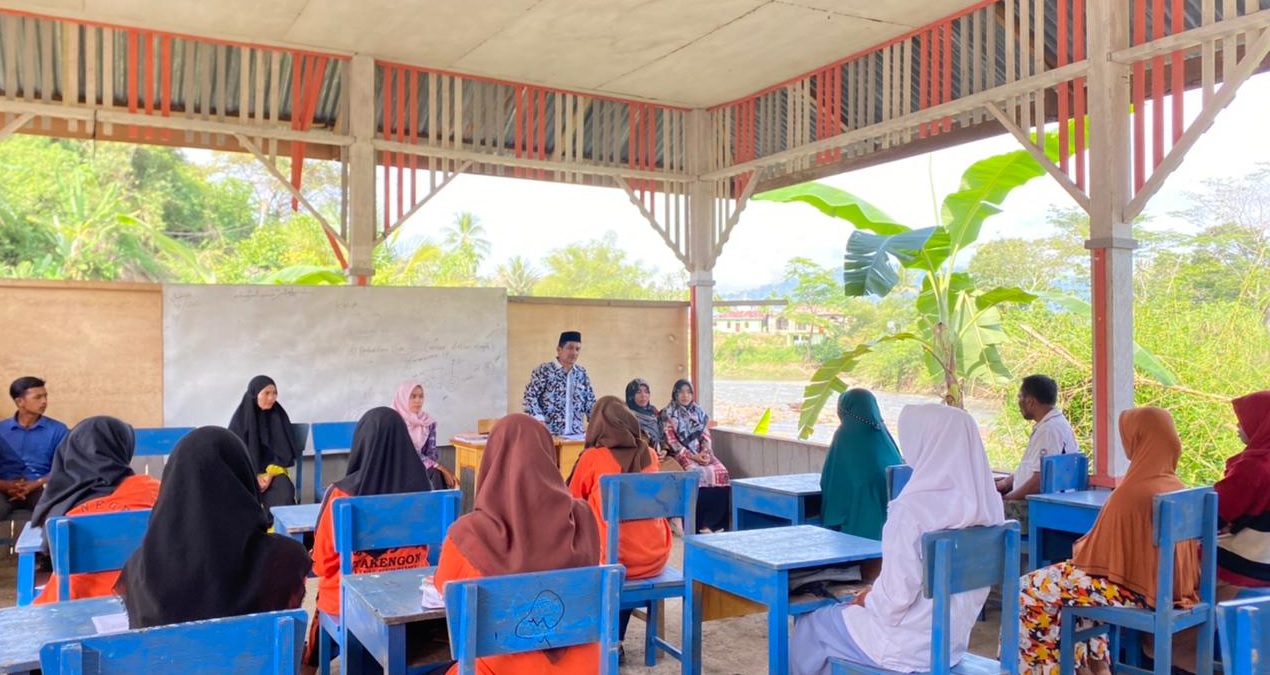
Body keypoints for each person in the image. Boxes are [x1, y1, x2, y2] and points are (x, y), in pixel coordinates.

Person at [791, 404, 1004, 674]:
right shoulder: (991, 508)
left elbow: (893, 603)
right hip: (950, 646)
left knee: (812, 622)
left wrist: (869, 598)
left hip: (901, 646)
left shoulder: (912, 509)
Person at [1017, 407, 1198, 675]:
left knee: (1030, 588)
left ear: (1138, 438)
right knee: (1069, 588)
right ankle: (1093, 667)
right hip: (1169, 590)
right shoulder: (1176, 485)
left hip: (1135, 593)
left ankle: (1045, 669)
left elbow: (1096, 555)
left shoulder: (1133, 490)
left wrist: (1076, 555)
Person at [432, 414, 601, 674]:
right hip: (586, 665)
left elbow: (443, 589)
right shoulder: (584, 517)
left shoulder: (468, 533)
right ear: (549, 458)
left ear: (492, 461)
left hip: (502, 667)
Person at [115, 426, 310, 628]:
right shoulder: (286, 560)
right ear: (244, 478)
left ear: (173, 485)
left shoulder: (140, 571)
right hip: (254, 659)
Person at [304, 407, 433, 668]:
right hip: (409, 598)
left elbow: (321, 565)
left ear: (361, 442)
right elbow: (432, 552)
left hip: (347, 604)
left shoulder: (341, 494)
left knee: (322, 599)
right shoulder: (427, 491)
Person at [569, 396, 671, 662]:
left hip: (617, 561)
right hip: (656, 557)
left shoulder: (592, 457)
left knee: (593, 553)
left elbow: (572, 503)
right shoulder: (649, 453)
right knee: (618, 545)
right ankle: (618, 639)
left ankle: (602, 639)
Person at [30, 416, 161, 604]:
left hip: (77, 601)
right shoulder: (152, 489)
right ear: (123, 448)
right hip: (148, 597)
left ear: (70, 449)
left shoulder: (63, 504)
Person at [996, 374, 1080, 529]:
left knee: (981, 511)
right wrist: (1005, 483)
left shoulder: (1049, 430)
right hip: (1033, 501)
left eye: (1020, 397)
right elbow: (1034, 468)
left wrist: (1007, 498)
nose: (1019, 402)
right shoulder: (1051, 424)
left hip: (1034, 507)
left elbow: (1038, 482)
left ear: (1030, 401)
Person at [820, 389, 903, 541]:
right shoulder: (883, 433)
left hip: (860, 522)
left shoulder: (845, 434)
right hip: (894, 521)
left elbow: (831, 479)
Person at [1214, 389, 1270, 595]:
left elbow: (1215, 515)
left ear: (1261, 424)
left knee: (1178, 563)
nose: (1238, 425)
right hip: (1265, 559)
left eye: (1243, 419)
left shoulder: (1253, 466)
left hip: (1248, 566)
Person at [661, 379, 730, 533]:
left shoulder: (698, 412)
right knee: (696, 473)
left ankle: (713, 523)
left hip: (702, 454)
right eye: (681, 392)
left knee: (720, 471)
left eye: (688, 392)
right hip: (683, 454)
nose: (685, 396)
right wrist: (694, 457)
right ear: (675, 394)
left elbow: (706, 436)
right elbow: (673, 442)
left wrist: (705, 453)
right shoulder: (668, 414)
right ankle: (696, 523)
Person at [0, 376, 70, 516]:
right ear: (20, 402)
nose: (44, 401)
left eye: (45, 396)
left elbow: (64, 466)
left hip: (40, 487)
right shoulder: (1, 430)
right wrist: (5, 485)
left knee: (55, 510)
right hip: (3, 488)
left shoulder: (58, 430)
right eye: (38, 397)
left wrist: (35, 484)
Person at [228, 375, 299, 509]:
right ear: (255, 394)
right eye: (267, 393)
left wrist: (270, 475)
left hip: (273, 473)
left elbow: (283, 455)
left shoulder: (279, 416)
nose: (272, 398)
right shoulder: (240, 421)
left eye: (274, 393)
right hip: (245, 474)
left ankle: (277, 528)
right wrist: (253, 474)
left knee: (285, 492)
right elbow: (234, 455)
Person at [522, 330, 596, 436]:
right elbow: (529, 397)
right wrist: (538, 418)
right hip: (549, 435)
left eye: (577, 349)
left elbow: (590, 402)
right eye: (570, 348)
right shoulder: (544, 370)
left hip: (576, 436)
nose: (574, 353)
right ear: (559, 350)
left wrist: (596, 422)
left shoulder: (581, 373)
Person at [391, 381, 456, 489]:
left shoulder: (427, 422)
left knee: (436, 474)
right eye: (413, 396)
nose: (418, 400)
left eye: (421, 396)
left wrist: (435, 466)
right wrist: (439, 467)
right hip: (396, 467)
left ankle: (438, 505)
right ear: (403, 398)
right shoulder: (394, 421)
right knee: (435, 471)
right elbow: (407, 452)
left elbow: (431, 452)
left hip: (418, 466)